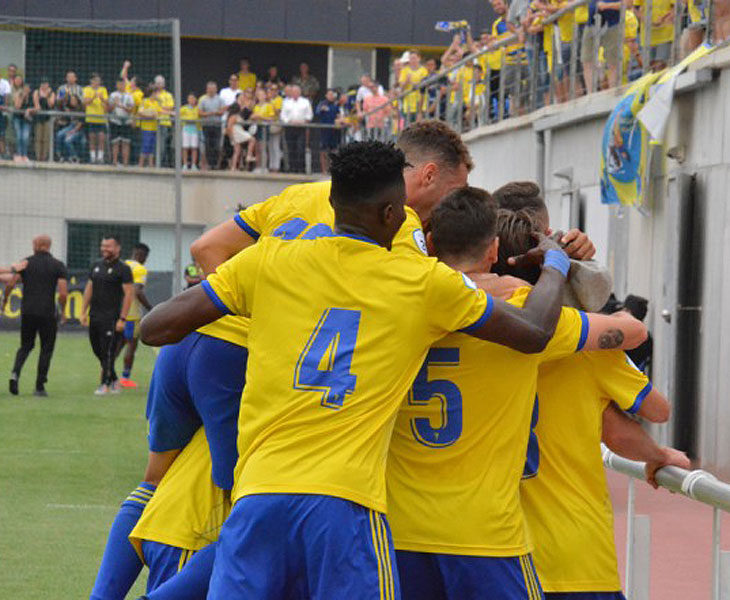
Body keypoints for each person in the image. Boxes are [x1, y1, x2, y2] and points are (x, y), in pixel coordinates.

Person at [139, 140, 574, 599]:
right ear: (391, 214)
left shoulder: (268, 260)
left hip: (259, 495)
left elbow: (155, 327)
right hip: (345, 505)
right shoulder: (420, 282)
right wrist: (555, 266)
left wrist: (271, 310)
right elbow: (533, 331)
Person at [388, 188, 649, 600]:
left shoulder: (401, 302)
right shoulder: (526, 311)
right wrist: (560, 267)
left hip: (401, 529)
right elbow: (633, 333)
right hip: (485, 531)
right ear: (492, 250)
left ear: (431, 243)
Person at [2, 235, 68, 397]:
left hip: (28, 311)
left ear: (37, 245)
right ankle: (39, 386)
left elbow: (11, 283)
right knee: (46, 348)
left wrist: (5, 301)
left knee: (25, 345)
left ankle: (15, 374)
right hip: (47, 312)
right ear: (48, 246)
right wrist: (63, 311)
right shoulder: (58, 265)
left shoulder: (25, 263)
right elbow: (63, 293)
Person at [80, 235, 134, 395]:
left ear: (117, 248)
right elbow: (89, 288)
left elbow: (129, 294)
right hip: (94, 316)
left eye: (108, 246)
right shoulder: (96, 265)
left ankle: (105, 384)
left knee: (108, 351)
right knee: (97, 350)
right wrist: (83, 311)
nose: (104, 249)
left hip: (112, 318)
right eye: (103, 246)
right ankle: (115, 379)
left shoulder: (123, 269)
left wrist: (122, 319)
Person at [118, 243, 152, 389]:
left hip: (118, 312)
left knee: (117, 345)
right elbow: (138, 291)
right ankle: (125, 378)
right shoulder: (140, 269)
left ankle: (107, 376)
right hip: (131, 314)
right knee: (131, 345)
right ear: (142, 255)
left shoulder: (122, 265)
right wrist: (151, 309)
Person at [280, 83, 312, 173]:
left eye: (296, 91)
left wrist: (303, 122)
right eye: (293, 92)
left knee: (300, 148)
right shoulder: (286, 102)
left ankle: (301, 169)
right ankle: (292, 168)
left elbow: (309, 115)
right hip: (290, 128)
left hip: (301, 128)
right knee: (291, 148)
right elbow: (283, 116)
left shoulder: (305, 101)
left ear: (299, 92)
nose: (294, 93)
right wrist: (289, 121)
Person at [198, 81, 225, 170]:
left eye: (213, 89)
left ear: (216, 89)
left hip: (217, 125)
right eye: (210, 89)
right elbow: (200, 113)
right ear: (207, 89)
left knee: (217, 145)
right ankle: (209, 164)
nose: (212, 91)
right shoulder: (203, 100)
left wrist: (216, 113)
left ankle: (216, 163)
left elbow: (222, 111)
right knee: (208, 145)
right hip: (206, 125)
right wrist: (210, 113)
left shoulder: (220, 99)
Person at [108, 77, 134, 166]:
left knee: (125, 142)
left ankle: (125, 163)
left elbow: (131, 110)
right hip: (115, 121)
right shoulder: (112, 95)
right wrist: (114, 104)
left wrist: (121, 105)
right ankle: (114, 162)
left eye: (123, 84)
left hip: (126, 122)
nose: (121, 86)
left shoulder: (129, 96)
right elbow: (109, 109)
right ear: (116, 85)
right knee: (115, 142)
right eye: (119, 84)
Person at [83, 73, 109, 164]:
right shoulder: (86, 89)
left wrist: (102, 99)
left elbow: (107, 102)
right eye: (96, 80)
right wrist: (93, 97)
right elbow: (85, 102)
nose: (98, 82)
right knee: (92, 138)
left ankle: (100, 157)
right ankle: (93, 157)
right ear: (91, 81)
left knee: (101, 138)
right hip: (91, 118)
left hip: (101, 118)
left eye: (99, 81)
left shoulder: (103, 89)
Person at [55, 92, 86, 163]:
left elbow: (80, 124)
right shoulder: (69, 106)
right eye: (71, 100)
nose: (72, 101)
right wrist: (64, 93)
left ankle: (74, 157)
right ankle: (59, 155)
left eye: (74, 100)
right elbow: (59, 101)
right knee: (59, 134)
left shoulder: (81, 108)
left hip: (79, 129)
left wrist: (72, 132)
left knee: (68, 139)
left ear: (77, 100)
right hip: (71, 126)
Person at [399, 50, 429, 123]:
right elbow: (401, 87)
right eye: (411, 58)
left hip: (421, 105)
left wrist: (411, 82)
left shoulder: (424, 70)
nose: (412, 60)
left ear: (419, 58)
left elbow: (423, 85)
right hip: (408, 105)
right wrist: (406, 81)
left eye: (414, 58)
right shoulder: (405, 70)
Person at [315, 88, 340, 172]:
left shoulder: (336, 104)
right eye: (329, 94)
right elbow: (317, 112)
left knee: (334, 150)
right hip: (324, 131)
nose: (331, 96)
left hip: (334, 131)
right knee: (323, 151)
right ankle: (324, 170)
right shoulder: (322, 104)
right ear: (326, 95)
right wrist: (322, 109)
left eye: (332, 94)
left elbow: (339, 115)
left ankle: (333, 169)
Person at [32, 77, 55, 162]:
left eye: (45, 84)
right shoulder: (36, 92)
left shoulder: (51, 93)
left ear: (48, 85)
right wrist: (42, 96)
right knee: (38, 138)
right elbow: (37, 105)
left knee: (46, 138)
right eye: (42, 84)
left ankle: (44, 157)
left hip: (47, 118)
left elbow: (51, 104)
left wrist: (47, 96)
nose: (43, 85)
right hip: (38, 118)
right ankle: (38, 156)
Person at [11, 74, 33, 163]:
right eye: (25, 88)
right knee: (19, 136)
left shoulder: (32, 95)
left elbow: (36, 107)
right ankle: (19, 154)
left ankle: (24, 155)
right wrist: (22, 96)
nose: (26, 90)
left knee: (25, 137)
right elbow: (17, 106)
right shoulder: (18, 93)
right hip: (17, 118)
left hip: (26, 119)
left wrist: (29, 109)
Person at [138, 85, 160, 168]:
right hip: (146, 128)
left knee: (151, 146)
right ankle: (141, 164)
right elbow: (140, 112)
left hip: (154, 128)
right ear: (153, 93)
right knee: (145, 146)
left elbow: (159, 112)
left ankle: (151, 164)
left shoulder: (156, 103)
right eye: (156, 93)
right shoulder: (145, 101)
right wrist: (150, 116)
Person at [180, 92, 200, 170]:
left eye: (193, 98)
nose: (191, 100)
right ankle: (184, 164)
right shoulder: (184, 108)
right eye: (190, 98)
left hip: (195, 130)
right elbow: (178, 115)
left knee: (194, 148)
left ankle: (193, 165)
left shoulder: (197, 108)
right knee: (185, 147)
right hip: (186, 129)